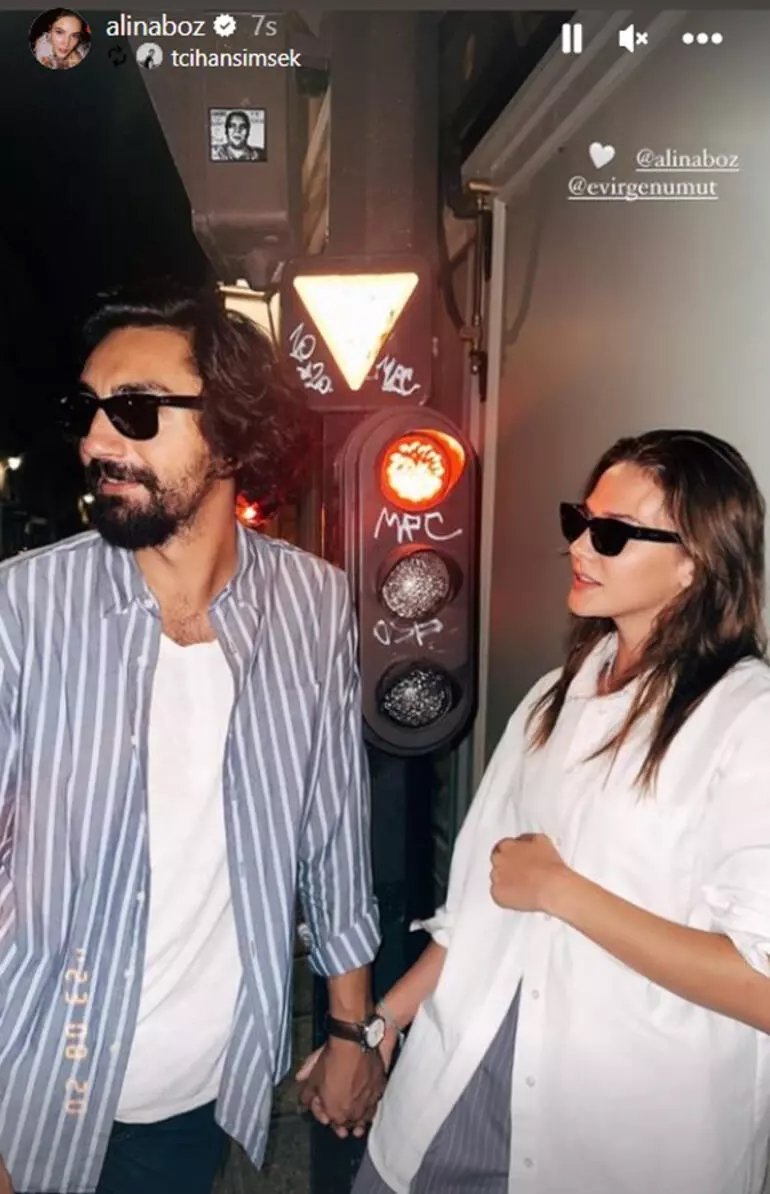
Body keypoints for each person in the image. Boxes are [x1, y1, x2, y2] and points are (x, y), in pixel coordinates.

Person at [0, 282, 384, 1194]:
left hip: (197, 1098)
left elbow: (333, 826)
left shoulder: (311, 603)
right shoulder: (24, 608)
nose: (97, 442)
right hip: (29, 1081)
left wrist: (349, 1029)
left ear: (234, 435)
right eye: (86, 411)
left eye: (135, 410)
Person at [349, 429, 770, 1194]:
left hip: (622, 1135)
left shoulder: (746, 721)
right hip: (463, 1074)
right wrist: (381, 1025)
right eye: (579, 520)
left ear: (696, 561)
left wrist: (562, 892)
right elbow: (480, 904)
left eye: (611, 533)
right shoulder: (556, 695)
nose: (578, 546)